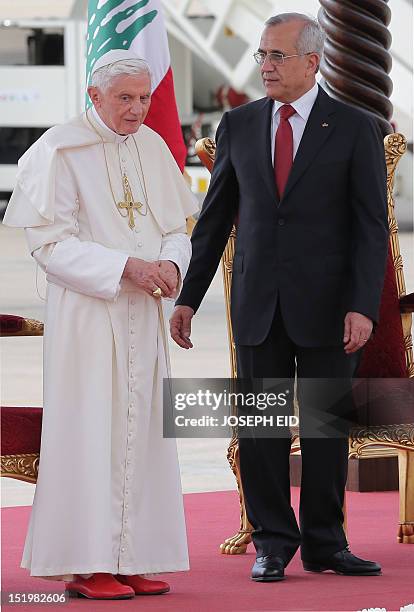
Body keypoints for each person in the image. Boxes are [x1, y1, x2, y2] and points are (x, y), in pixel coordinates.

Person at [171, 13, 388, 581]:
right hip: (258, 306)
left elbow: (371, 228)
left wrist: (364, 305)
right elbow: (214, 221)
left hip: (332, 310)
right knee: (259, 429)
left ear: (313, 62)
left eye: (277, 56)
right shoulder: (238, 125)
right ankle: (272, 541)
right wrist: (187, 298)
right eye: (262, 55)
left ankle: (324, 542)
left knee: (324, 429)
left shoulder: (355, 127)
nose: (265, 65)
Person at [4, 49, 198, 599]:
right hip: (90, 316)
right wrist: (125, 267)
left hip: (143, 313)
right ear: (95, 96)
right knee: (91, 433)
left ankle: (135, 555)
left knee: (142, 435)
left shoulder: (154, 147)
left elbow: (175, 226)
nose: (137, 109)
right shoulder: (59, 150)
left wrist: (172, 264)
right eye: (125, 98)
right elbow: (48, 243)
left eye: (143, 98)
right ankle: (88, 563)